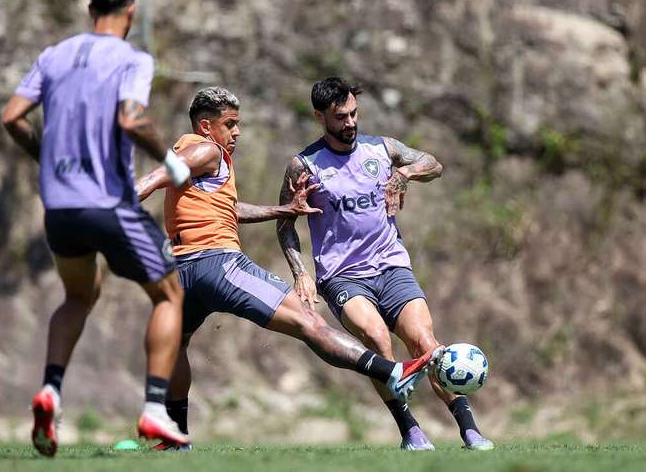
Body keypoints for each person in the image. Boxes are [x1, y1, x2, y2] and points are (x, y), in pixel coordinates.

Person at [136, 86, 444, 450]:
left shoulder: (194, 156)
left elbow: (229, 210)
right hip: (218, 264)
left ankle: (176, 437)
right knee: (308, 322)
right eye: (230, 124)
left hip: (181, 272)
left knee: (177, 345)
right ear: (206, 126)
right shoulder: (206, 149)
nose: (237, 133)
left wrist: (283, 211)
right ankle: (393, 371)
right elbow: (155, 178)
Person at [0, 0, 193, 457]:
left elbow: (12, 117)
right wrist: (168, 161)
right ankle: (154, 411)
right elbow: (131, 118)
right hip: (108, 203)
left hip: (60, 207)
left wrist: (45, 156)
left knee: (79, 294)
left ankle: (51, 392)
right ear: (130, 11)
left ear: (90, 11)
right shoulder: (132, 59)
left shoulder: (54, 55)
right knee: (169, 294)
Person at [276, 76, 494, 451]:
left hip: (391, 267)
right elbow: (285, 223)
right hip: (342, 276)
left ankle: (469, 429)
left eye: (354, 113)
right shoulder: (305, 165)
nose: (350, 123)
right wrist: (300, 273)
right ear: (319, 117)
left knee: (426, 344)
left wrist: (405, 174)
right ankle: (409, 429)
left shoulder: (382, 149)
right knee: (377, 339)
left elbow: (434, 164)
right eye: (340, 116)